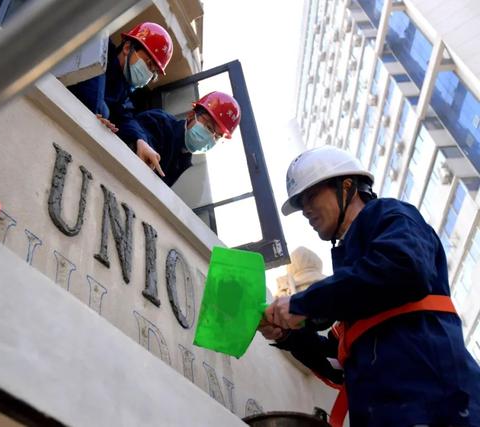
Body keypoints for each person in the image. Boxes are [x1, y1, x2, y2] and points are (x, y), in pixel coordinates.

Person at [258, 145, 480, 426]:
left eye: (311, 196)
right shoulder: (356, 291)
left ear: (347, 187)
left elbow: (404, 266)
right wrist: (287, 335)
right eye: (301, 205)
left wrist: (303, 304)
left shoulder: (390, 215)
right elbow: (336, 363)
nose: (306, 211)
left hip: (439, 408)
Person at [67, 22, 173, 145]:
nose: (149, 74)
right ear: (127, 47)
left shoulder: (122, 94)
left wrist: (139, 140)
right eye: (149, 64)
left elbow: (125, 119)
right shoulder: (98, 48)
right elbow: (90, 91)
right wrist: (97, 113)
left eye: (153, 73)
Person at [118, 91, 241, 186]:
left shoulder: (183, 161)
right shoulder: (162, 122)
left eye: (217, 136)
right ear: (191, 115)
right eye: (209, 127)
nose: (210, 137)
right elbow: (129, 125)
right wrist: (139, 140)